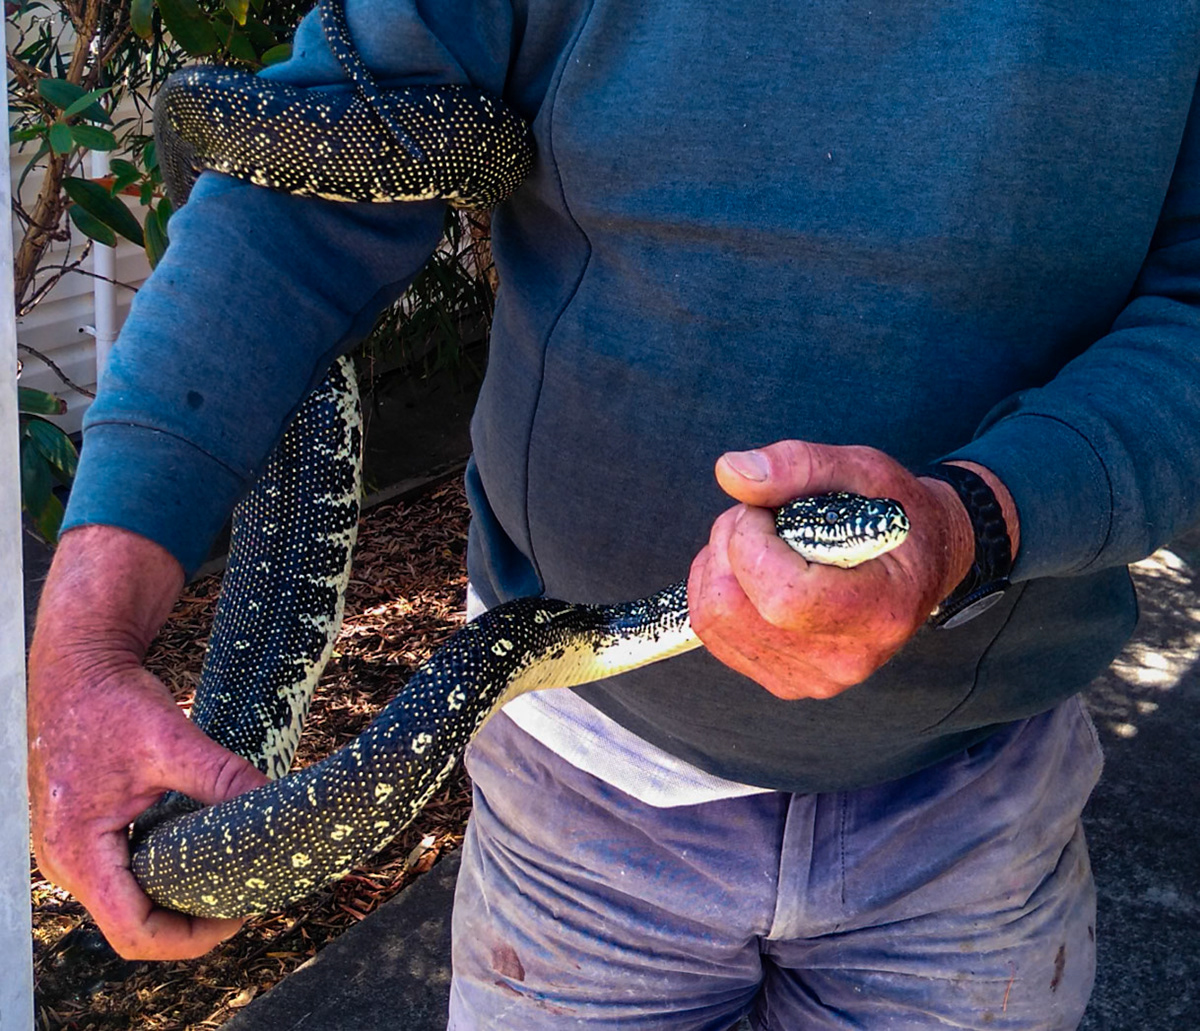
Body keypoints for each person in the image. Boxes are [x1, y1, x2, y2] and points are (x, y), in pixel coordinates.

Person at [26, 1, 1200, 1027]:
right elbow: (309, 183)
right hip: (575, 798)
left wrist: (971, 523)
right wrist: (87, 630)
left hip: (976, 802)